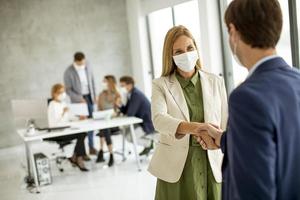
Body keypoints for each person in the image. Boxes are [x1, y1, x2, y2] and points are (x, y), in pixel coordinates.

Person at [197, 0, 300, 199]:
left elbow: (253, 191)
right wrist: (223, 138)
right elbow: (281, 144)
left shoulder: (246, 97)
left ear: (233, 33)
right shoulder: (297, 80)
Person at [148, 25, 228, 200]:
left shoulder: (216, 82)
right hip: (177, 168)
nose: (186, 54)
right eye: (178, 51)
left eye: (190, 48)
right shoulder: (160, 85)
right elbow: (159, 120)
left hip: (212, 163)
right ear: (170, 56)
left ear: (196, 49)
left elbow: (225, 122)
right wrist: (197, 127)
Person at [47, 83, 89, 171]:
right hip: (57, 133)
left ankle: (75, 156)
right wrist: (63, 113)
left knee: (83, 133)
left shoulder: (63, 103)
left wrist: (79, 117)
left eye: (63, 92)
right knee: (81, 134)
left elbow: (69, 117)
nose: (63, 94)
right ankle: (79, 158)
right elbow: (53, 124)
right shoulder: (52, 104)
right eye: (60, 92)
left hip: (66, 130)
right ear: (54, 94)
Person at [64, 52, 97, 156]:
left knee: (91, 124)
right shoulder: (68, 72)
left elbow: (92, 80)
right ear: (75, 61)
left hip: (90, 97)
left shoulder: (88, 65)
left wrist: (94, 95)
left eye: (83, 62)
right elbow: (68, 90)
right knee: (81, 126)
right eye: (80, 63)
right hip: (78, 100)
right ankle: (82, 153)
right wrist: (80, 98)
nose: (83, 65)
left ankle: (91, 147)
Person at [115, 76, 155, 156]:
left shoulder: (136, 95)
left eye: (122, 86)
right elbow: (127, 110)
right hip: (141, 122)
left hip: (148, 124)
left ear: (129, 85)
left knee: (130, 137)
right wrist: (119, 105)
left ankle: (149, 144)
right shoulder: (131, 94)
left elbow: (130, 113)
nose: (121, 88)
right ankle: (148, 144)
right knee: (126, 134)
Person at [96, 75, 121, 166]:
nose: (103, 83)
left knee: (104, 129)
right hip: (104, 121)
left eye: (104, 81)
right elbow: (99, 109)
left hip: (114, 123)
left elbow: (118, 110)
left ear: (110, 83)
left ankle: (105, 152)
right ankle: (107, 153)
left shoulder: (117, 94)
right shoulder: (101, 94)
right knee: (104, 128)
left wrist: (114, 112)